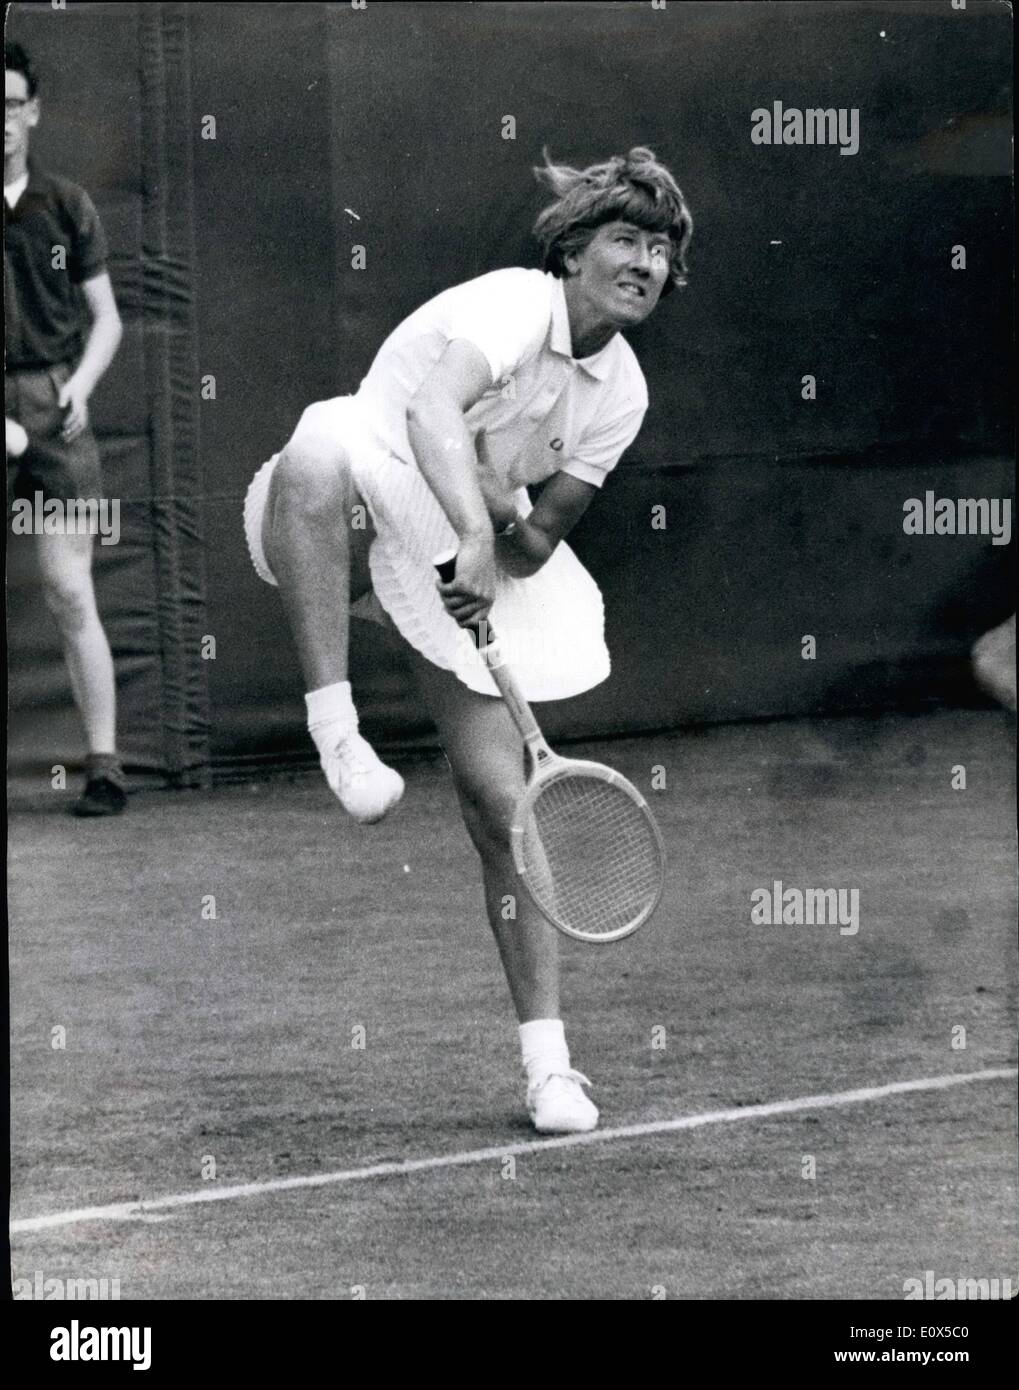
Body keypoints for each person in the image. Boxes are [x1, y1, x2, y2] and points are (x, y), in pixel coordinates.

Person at [243, 146, 692, 1132]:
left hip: (449, 540)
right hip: (359, 482)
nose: (645, 263)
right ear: (572, 250)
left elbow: (535, 545)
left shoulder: (620, 393)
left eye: (659, 250)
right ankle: (336, 728)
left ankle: (548, 1069)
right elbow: (426, 408)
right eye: (625, 239)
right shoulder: (511, 304)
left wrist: (495, 520)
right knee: (313, 452)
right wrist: (477, 526)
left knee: (502, 804)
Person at [5, 41, 126, 815]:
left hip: (54, 407)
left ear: (33, 112)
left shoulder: (66, 204)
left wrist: (78, 388)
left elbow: (108, 320)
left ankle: (105, 768)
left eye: (10, 105)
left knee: (69, 590)